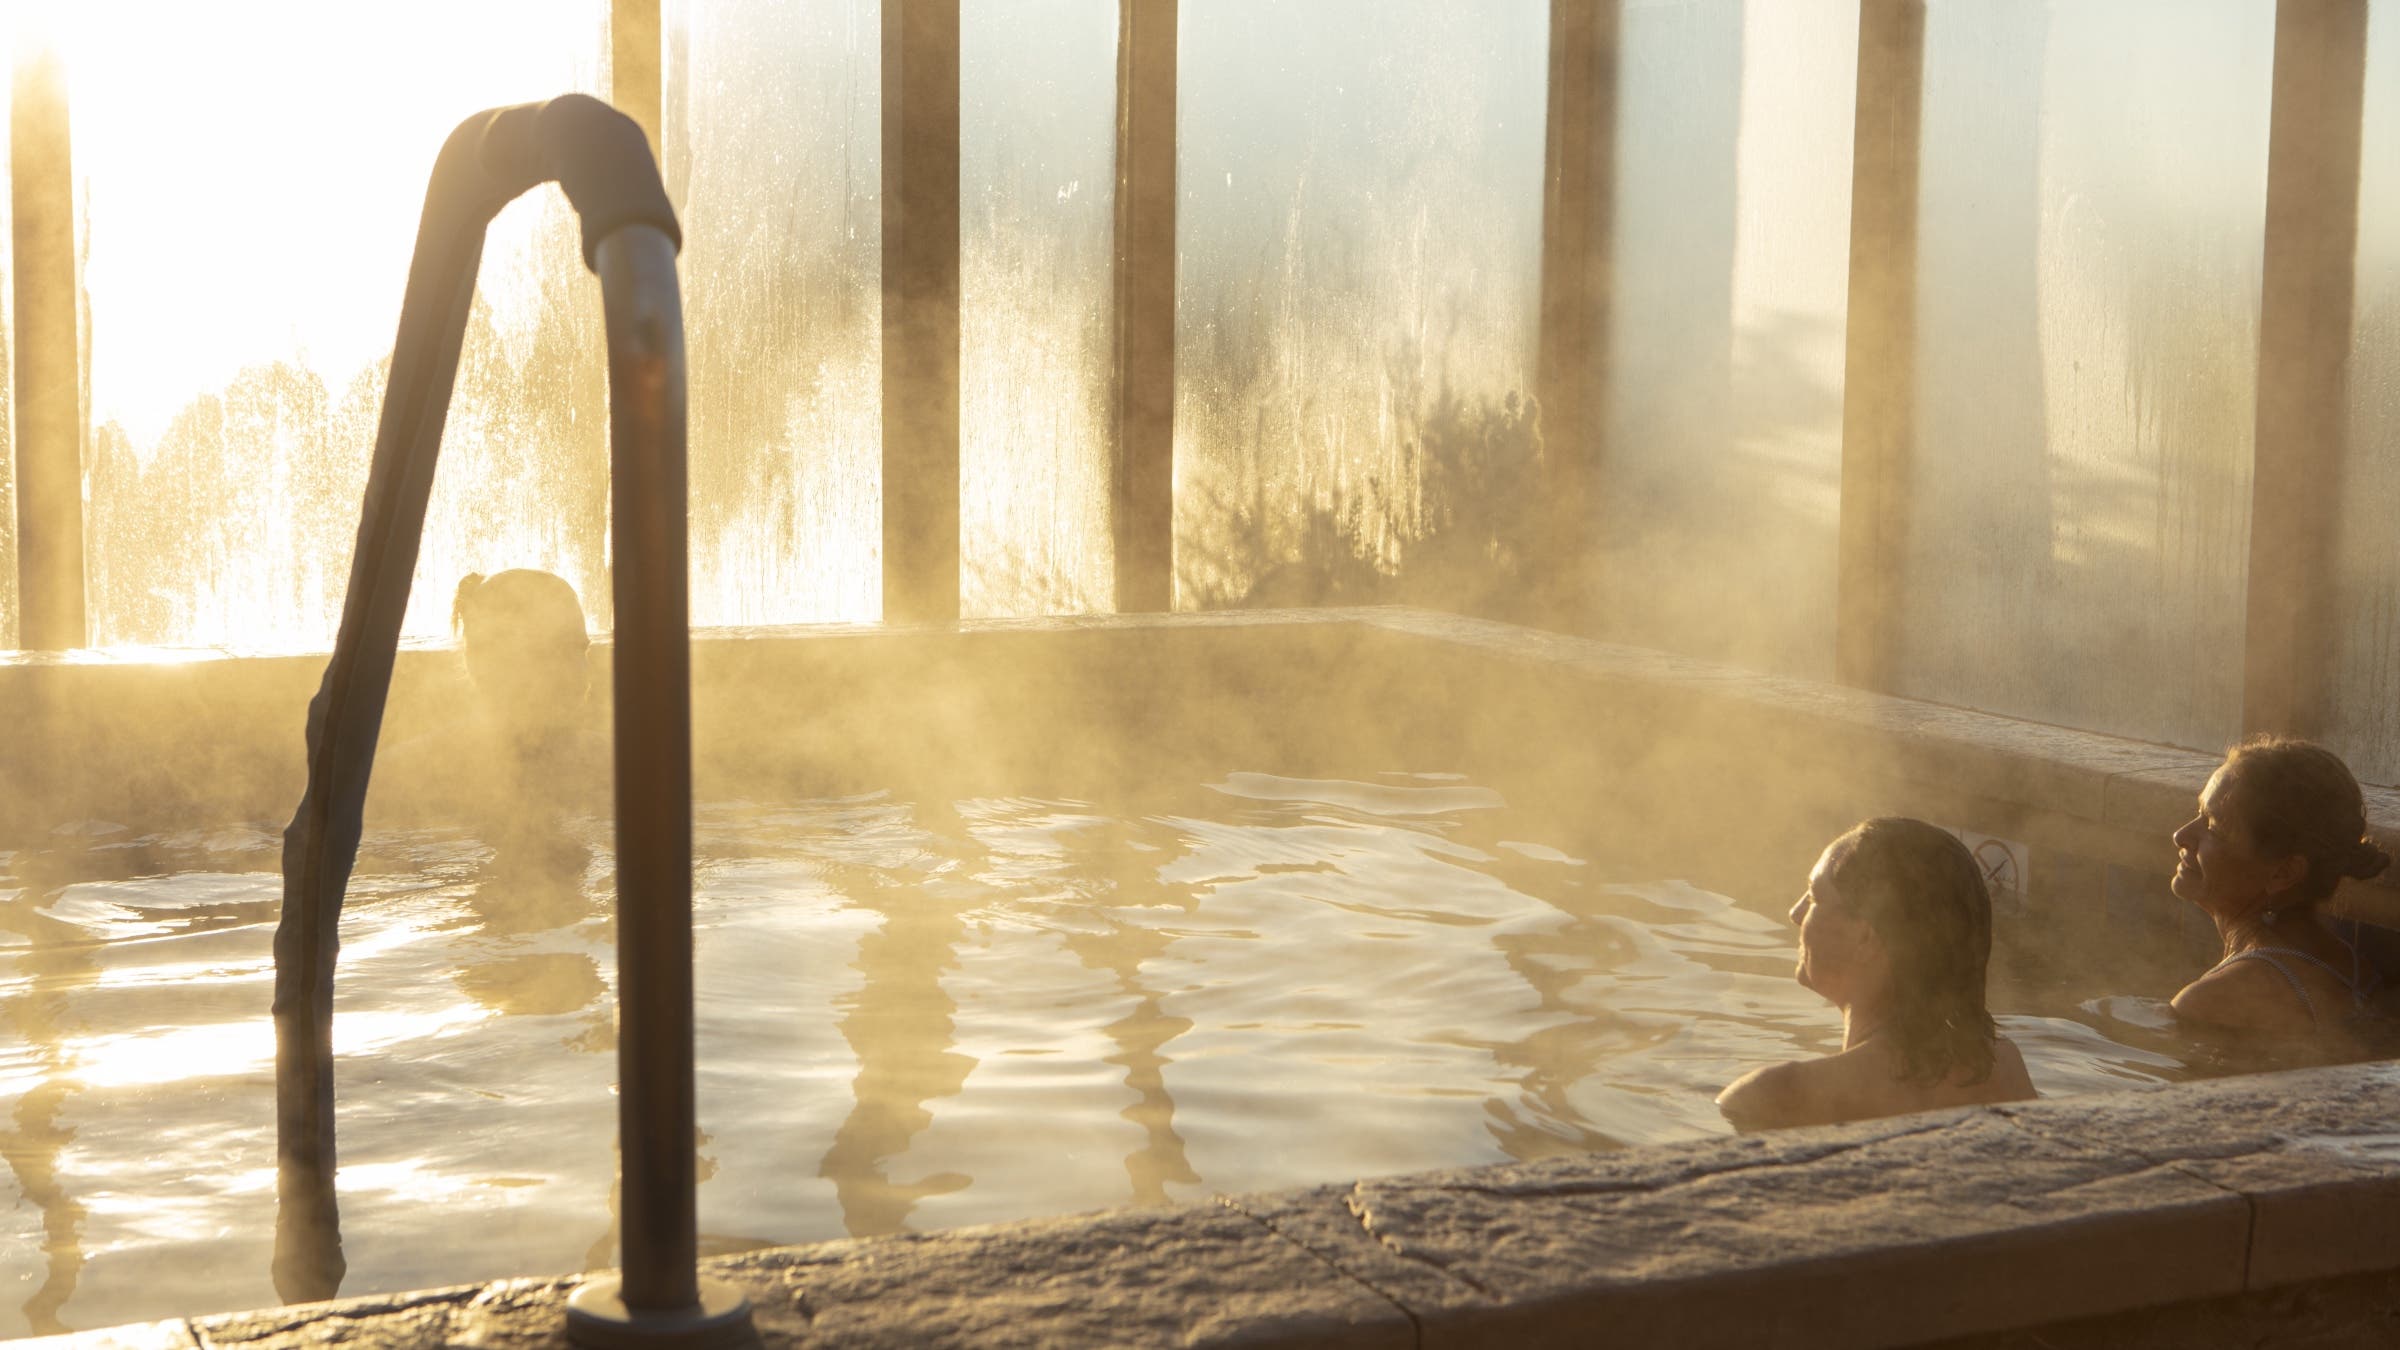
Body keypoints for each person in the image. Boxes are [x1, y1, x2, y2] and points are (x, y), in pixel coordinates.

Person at [1718, 818, 2035, 1130]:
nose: (1795, 913)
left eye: (1814, 898)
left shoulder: (1776, 1095)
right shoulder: (2003, 1069)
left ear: (1865, 936)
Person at [2167, 736, 2389, 1050]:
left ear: (2283, 872)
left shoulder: (2216, 1001)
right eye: (2199, 813)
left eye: (2214, 827)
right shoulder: (2354, 969)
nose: (2182, 835)